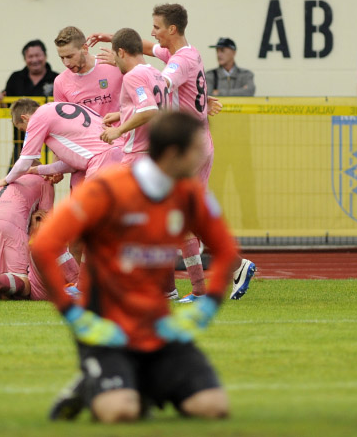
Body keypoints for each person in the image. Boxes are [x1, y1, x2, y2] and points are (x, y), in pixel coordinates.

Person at [32, 112, 238, 423]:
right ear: (172, 154)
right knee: (120, 413)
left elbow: (225, 250)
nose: (204, 153)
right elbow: (44, 244)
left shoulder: (189, 194)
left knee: (212, 407)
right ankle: (92, 384)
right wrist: (72, 313)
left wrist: (207, 307)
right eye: (197, 148)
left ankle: (142, 382)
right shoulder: (107, 190)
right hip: (106, 332)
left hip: (159, 330)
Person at [88, 4, 255, 303]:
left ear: (172, 29)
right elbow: (147, 50)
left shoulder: (180, 62)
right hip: (195, 141)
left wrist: (127, 91)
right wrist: (113, 40)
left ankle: (214, 274)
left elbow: (159, 85)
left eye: (157, 26)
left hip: (189, 146)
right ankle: (219, 274)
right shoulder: (186, 53)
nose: (152, 32)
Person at [0, 173, 78, 302]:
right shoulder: (45, 181)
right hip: (11, 225)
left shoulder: (2, 182)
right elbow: (45, 221)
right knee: (21, 281)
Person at [0, 99, 122, 193]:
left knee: (92, 218)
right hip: (122, 153)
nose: (27, 133)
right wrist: (37, 170)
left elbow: (24, 162)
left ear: (25, 118)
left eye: (23, 130)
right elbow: (73, 164)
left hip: (102, 160)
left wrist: (5, 180)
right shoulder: (58, 109)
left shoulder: (37, 118)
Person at [100, 27, 165, 166]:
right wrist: (122, 114)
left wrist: (118, 130)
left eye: (115, 55)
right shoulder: (156, 73)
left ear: (121, 52)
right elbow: (154, 105)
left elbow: (149, 109)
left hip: (138, 157)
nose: (115, 61)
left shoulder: (133, 76)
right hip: (157, 154)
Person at [0, 40, 59, 167]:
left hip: (48, 141)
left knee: (46, 178)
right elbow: (7, 108)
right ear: (25, 59)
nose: (34, 60)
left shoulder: (57, 78)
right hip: (21, 142)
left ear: (45, 56)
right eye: (30, 56)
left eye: (37, 55)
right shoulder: (15, 78)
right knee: (15, 179)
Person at [53, 26, 123, 118]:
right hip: (87, 132)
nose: (66, 63)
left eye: (70, 56)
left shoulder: (113, 65)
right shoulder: (60, 82)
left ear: (85, 49)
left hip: (120, 131)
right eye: (62, 58)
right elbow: (63, 121)